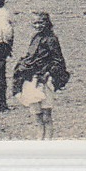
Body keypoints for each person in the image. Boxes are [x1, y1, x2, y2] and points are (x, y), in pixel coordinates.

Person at [12, 12, 70, 140]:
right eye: (35, 23)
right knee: (36, 114)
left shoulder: (51, 39)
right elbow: (30, 56)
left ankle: (47, 141)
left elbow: (57, 60)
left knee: (46, 115)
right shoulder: (35, 38)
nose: (38, 26)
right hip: (32, 78)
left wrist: (49, 73)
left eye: (41, 22)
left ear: (47, 23)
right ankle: (39, 140)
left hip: (45, 80)